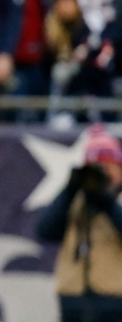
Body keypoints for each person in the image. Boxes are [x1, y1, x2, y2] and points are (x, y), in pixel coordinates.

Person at [36, 125, 122, 322]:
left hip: (115, 297)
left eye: (108, 166)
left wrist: (106, 202)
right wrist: (70, 189)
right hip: (74, 296)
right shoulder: (75, 200)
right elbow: (45, 231)